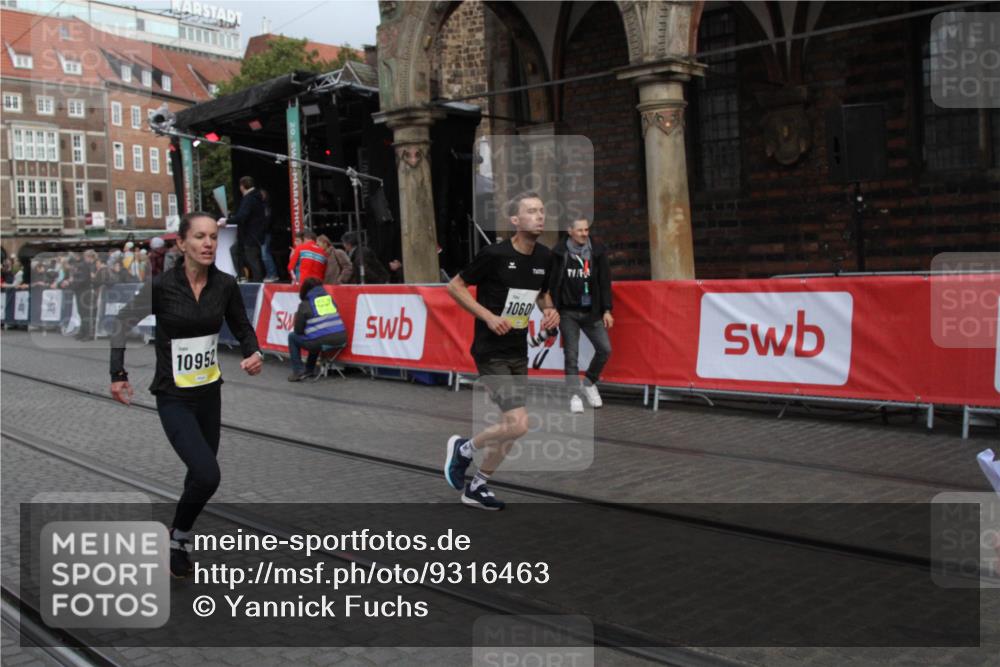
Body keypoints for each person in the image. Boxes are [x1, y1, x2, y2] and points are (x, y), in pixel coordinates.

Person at [109, 211, 263, 578]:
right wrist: (118, 374)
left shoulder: (225, 285)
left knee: (198, 476)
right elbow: (121, 323)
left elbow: (242, 327)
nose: (208, 243)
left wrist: (253, 352)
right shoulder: (162, 286)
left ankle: (177, 539)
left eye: (212, 236)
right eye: (199, 237)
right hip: (174, 396)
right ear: (182, 243)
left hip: (209, 394)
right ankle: (178, 537)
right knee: (208, 475)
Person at [444, 191, 559, 510]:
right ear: (515, 220)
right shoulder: (493, 255)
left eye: (542, 210)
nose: (540, 216)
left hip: (517, 350)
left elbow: (542, 294)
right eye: (532, 211)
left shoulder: (545, 258)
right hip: (490, 350)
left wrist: (550, 311)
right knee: (519, 423)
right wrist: (489, 317)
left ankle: (477, 487)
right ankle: (464, 449)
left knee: (511, 427)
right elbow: (454, 287)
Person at [547, 217, 614, 413]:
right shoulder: (559, 253)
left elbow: (604, 282)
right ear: (570, 231)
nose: (585, 234)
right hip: (568, 312)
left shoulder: (597, 252)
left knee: (605, 349)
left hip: (592, 312)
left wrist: (607, 310)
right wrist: (552, 309)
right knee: (571, 355)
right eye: (580, 230)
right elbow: (551, 283)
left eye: (586, 230)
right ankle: (573, 394)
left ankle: (590, 382)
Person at [286, 277, 348, 382]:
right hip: (342, 338)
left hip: (321, 340)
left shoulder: (305, 304)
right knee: (315, 335)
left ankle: (298, 371)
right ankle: (309, 369)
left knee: (293, 337)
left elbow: (298, 330)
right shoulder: (329, 299)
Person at [222, 176, 267, 282]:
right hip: (251, 234)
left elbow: (242, 216)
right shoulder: (256, 197)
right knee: (236, 251)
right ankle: (243, 276)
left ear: (242, 186)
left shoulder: (249, 198)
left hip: (250, 235)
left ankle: (257, 282)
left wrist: (227, 221)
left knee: (252, 258)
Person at [72, 249, 100, 340]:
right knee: (82, 312)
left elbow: (83, 279)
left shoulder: (87, 266)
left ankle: (87, 333)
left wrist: (73, 285)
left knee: (85, 313)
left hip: (84, 290)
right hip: (83, 290)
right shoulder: (88, 265)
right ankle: (83, 331)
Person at [259, 189, 279, 282]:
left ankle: (272, 274)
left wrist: (263, 229)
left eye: (262, 194)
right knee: (265, 254)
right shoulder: (262, 206)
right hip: (264, 232)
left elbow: (268, 220)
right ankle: (270, 274)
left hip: (266, 233)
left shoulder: (266, 207)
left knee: (265, 254)